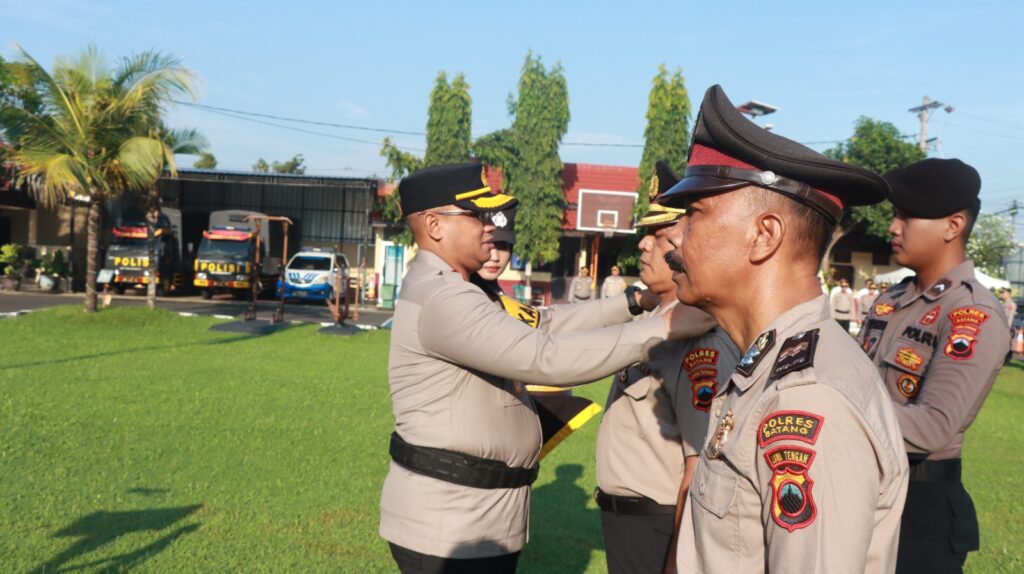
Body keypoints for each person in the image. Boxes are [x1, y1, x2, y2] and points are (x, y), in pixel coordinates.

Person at [379, 163, 697, 573]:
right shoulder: (443, 297)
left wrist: (631, 304)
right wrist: (663, 328)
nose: (491, 226)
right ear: (435, 225)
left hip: (473, 515)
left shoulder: (459, 289)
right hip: (451, 523)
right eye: (477, 215)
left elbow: (541, 324)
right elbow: (544, 357)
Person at [659, 85, 909, 573]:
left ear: (764, 235)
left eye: (694, 215)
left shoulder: (806, 398)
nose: (674, 238)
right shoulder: (763, 365)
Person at [858, 158, 1010, 573]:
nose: (893, 226)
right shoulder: (891, 300)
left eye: (907, 216)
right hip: (864, 491)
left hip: (919, 512)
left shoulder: (971, 313)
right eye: (895, 215)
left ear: (953, 225)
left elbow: (933, 427)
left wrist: (836, 411)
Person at [595, 160, 739, 574]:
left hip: (657, 525)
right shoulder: (653, 324)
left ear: (685, 241)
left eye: (658, 236)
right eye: (645, 235)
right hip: (626, 521)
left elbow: (699, 466)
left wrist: (678, 560)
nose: (643, 245)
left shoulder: (699, 342)